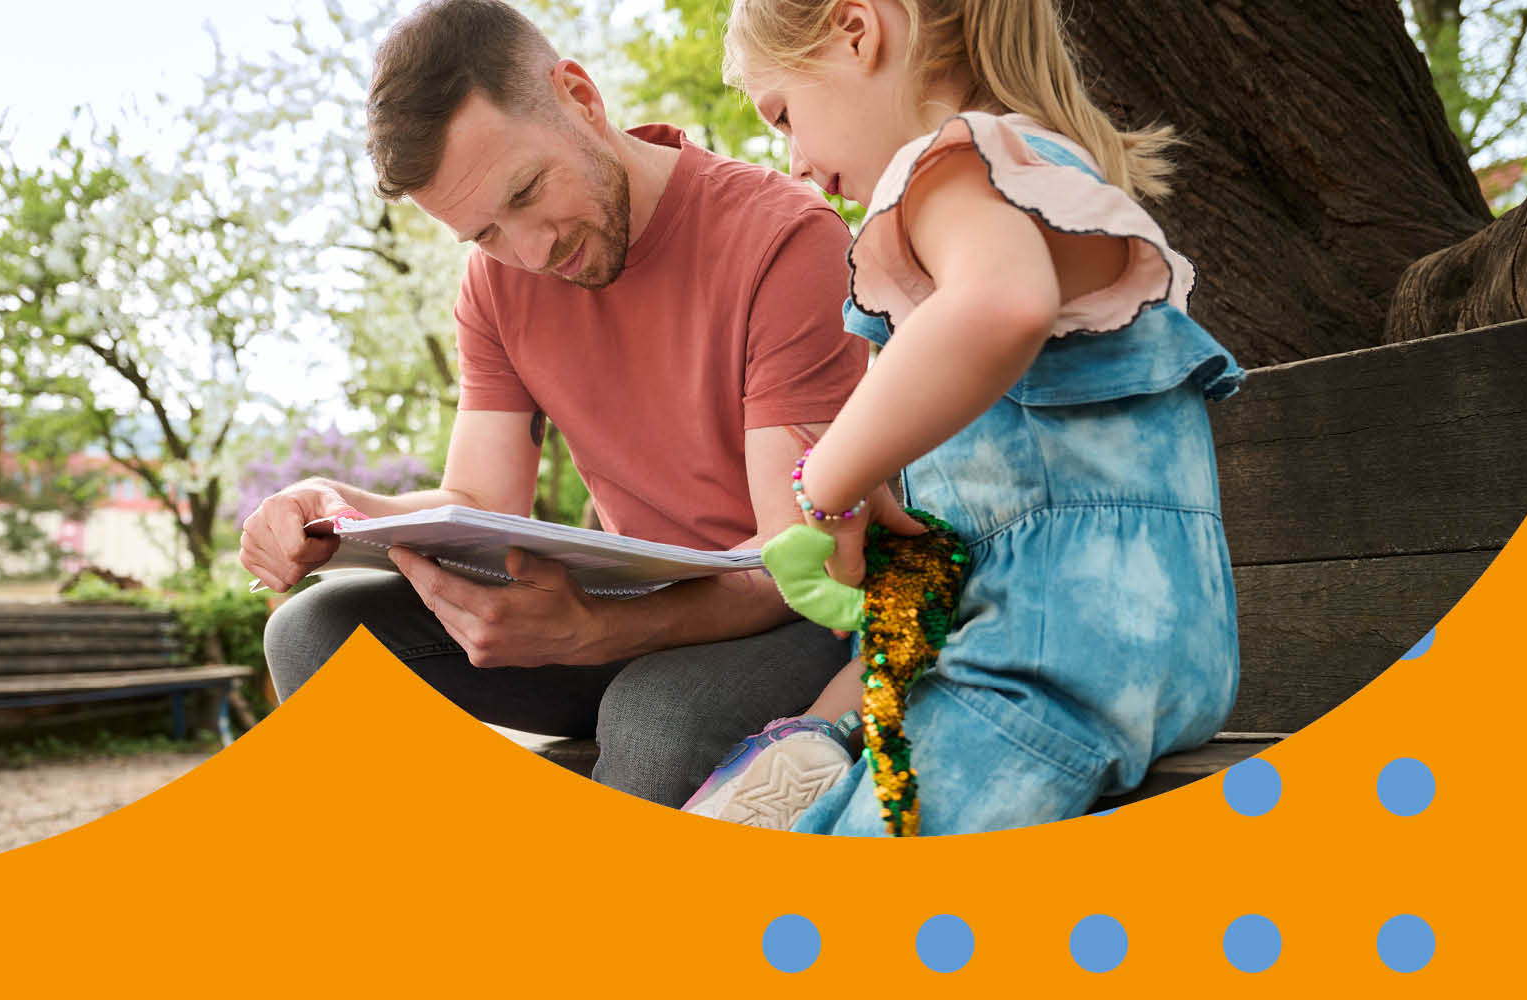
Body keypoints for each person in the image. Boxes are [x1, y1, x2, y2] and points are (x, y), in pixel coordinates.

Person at [239, 0, 871, 808]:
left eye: (527, 190)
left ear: (580, 96)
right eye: (485, 233)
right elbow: (474, 500)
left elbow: (799, 562)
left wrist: (595, 630)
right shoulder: (499, 285)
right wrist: (333, 508)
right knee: (314, 633)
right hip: (623, 614)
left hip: (790, 621)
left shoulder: (783, 240)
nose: (531, 252)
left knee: (655, 721)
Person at [681, 0, 1244, 835]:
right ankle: (827, 744)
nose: (794, 162)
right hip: (1106, 651)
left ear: (856, 29)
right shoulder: (1025, 187)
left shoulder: (959, 164)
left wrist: (829, 479)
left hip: (1050, 662)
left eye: (784, 115)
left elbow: (1002, 303)